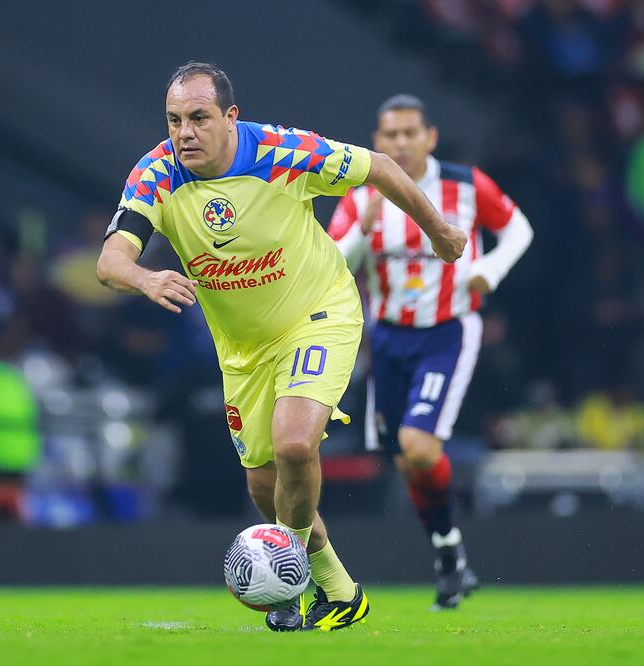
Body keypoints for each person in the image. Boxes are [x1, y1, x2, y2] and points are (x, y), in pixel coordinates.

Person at [96, 63, 465, 631]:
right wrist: (146, 278)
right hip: (241, 350)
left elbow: (381, 167)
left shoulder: (281, 152)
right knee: (265, 486)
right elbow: (109, 261)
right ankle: (339, 592)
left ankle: (281, 576)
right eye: (174, 121)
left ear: (230, 117)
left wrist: (437, 230)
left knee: (296, 446)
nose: (184, 133)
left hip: (318, 315)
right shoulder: (155, 175)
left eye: (198, 118)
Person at [329, 94, 533, 610]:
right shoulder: (360, 193)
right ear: (377, 142)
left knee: (419, 447)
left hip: (447, 330)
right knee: (408, 461)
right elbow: (333, 262)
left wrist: (490, 271)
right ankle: (450, 557)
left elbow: (517, 228)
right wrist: (366, 223)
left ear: (430, 137)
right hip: (389, 337)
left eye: (409, 133)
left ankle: (449, 557)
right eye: (390, 135)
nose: (400, 143)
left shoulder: (463, 185)